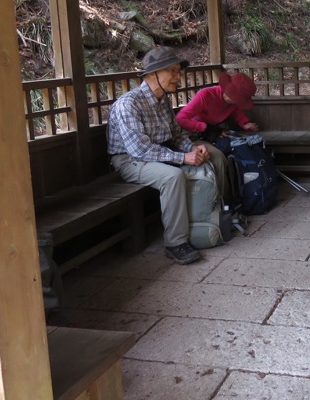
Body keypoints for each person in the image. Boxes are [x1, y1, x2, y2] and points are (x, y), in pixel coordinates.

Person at [107, 46, 233, 266]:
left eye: (178, 71)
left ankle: (215, 216)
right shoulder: (129, 104)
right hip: (131, 160)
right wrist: (183, 158)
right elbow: (140, 150)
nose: (178, 77)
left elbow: (176, 134)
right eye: (172, 71)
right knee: (172, 177)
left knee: (215, 155)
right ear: (150, 75)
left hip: (161, 151)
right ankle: (176, 243)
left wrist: (190, 149)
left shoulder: (162, 100)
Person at [175, 71, 259, 142]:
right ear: (227, 90)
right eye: (235, 98)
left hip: (217, 130)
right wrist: (205, 127)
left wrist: (245, 123)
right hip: (195, 133)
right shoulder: (204, 95)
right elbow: (180, 119)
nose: (236, 102)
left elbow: (236, 111)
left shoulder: (232, 102)